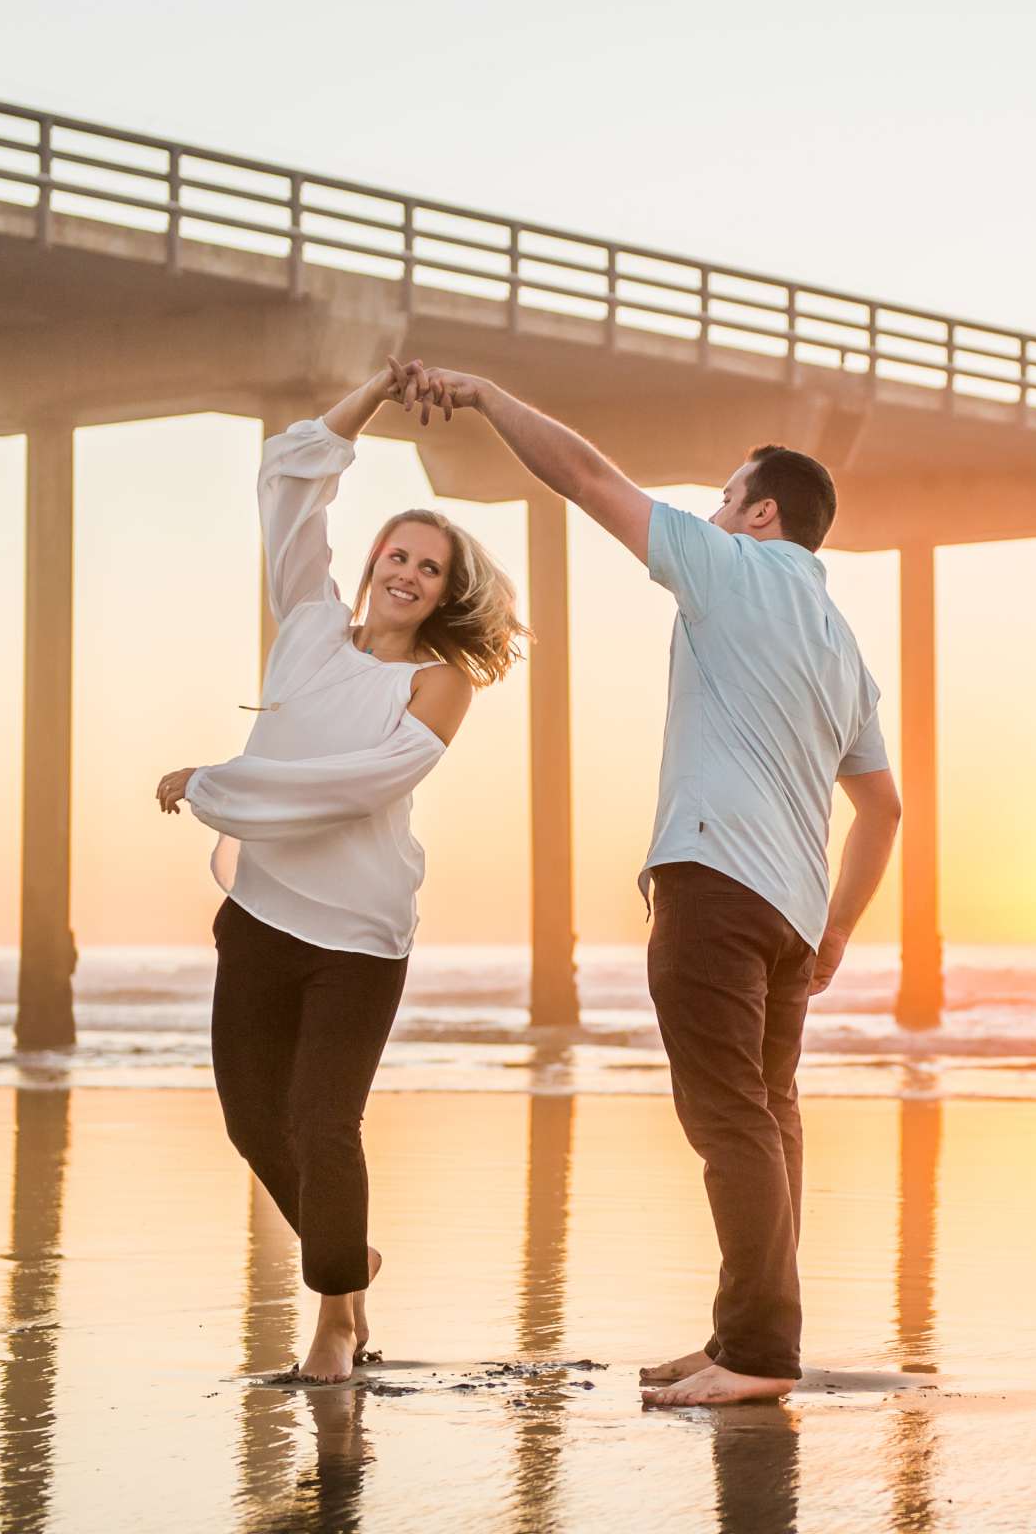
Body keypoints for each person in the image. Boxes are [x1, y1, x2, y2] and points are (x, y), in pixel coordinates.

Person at [405, 364, 902, 1407]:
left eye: (726, 496)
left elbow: (585, 475)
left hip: (715, 885)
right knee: (767, 1115)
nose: (712, 511)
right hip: (792, 907)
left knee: (729, 1119)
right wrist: (842, 928)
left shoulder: (730, 565)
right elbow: (884, 809)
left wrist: (493, 398)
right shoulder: (845, 646)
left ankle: (760, 1352)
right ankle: (747, 1333)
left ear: (761, 514)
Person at [155, 359, 526, 1383]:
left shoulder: (441, 682)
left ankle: (332, 1325)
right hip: (264, 914)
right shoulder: (311, 624)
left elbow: (362, 784)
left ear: (448, 592)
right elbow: (289, 484)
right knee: (249, 1117)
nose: (409, 574)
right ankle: (346, 1264)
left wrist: (217, 785)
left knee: (324, 1121)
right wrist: (367, 395)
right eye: (397, 555)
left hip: (359, 936)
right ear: (371, 565)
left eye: (431, 568)